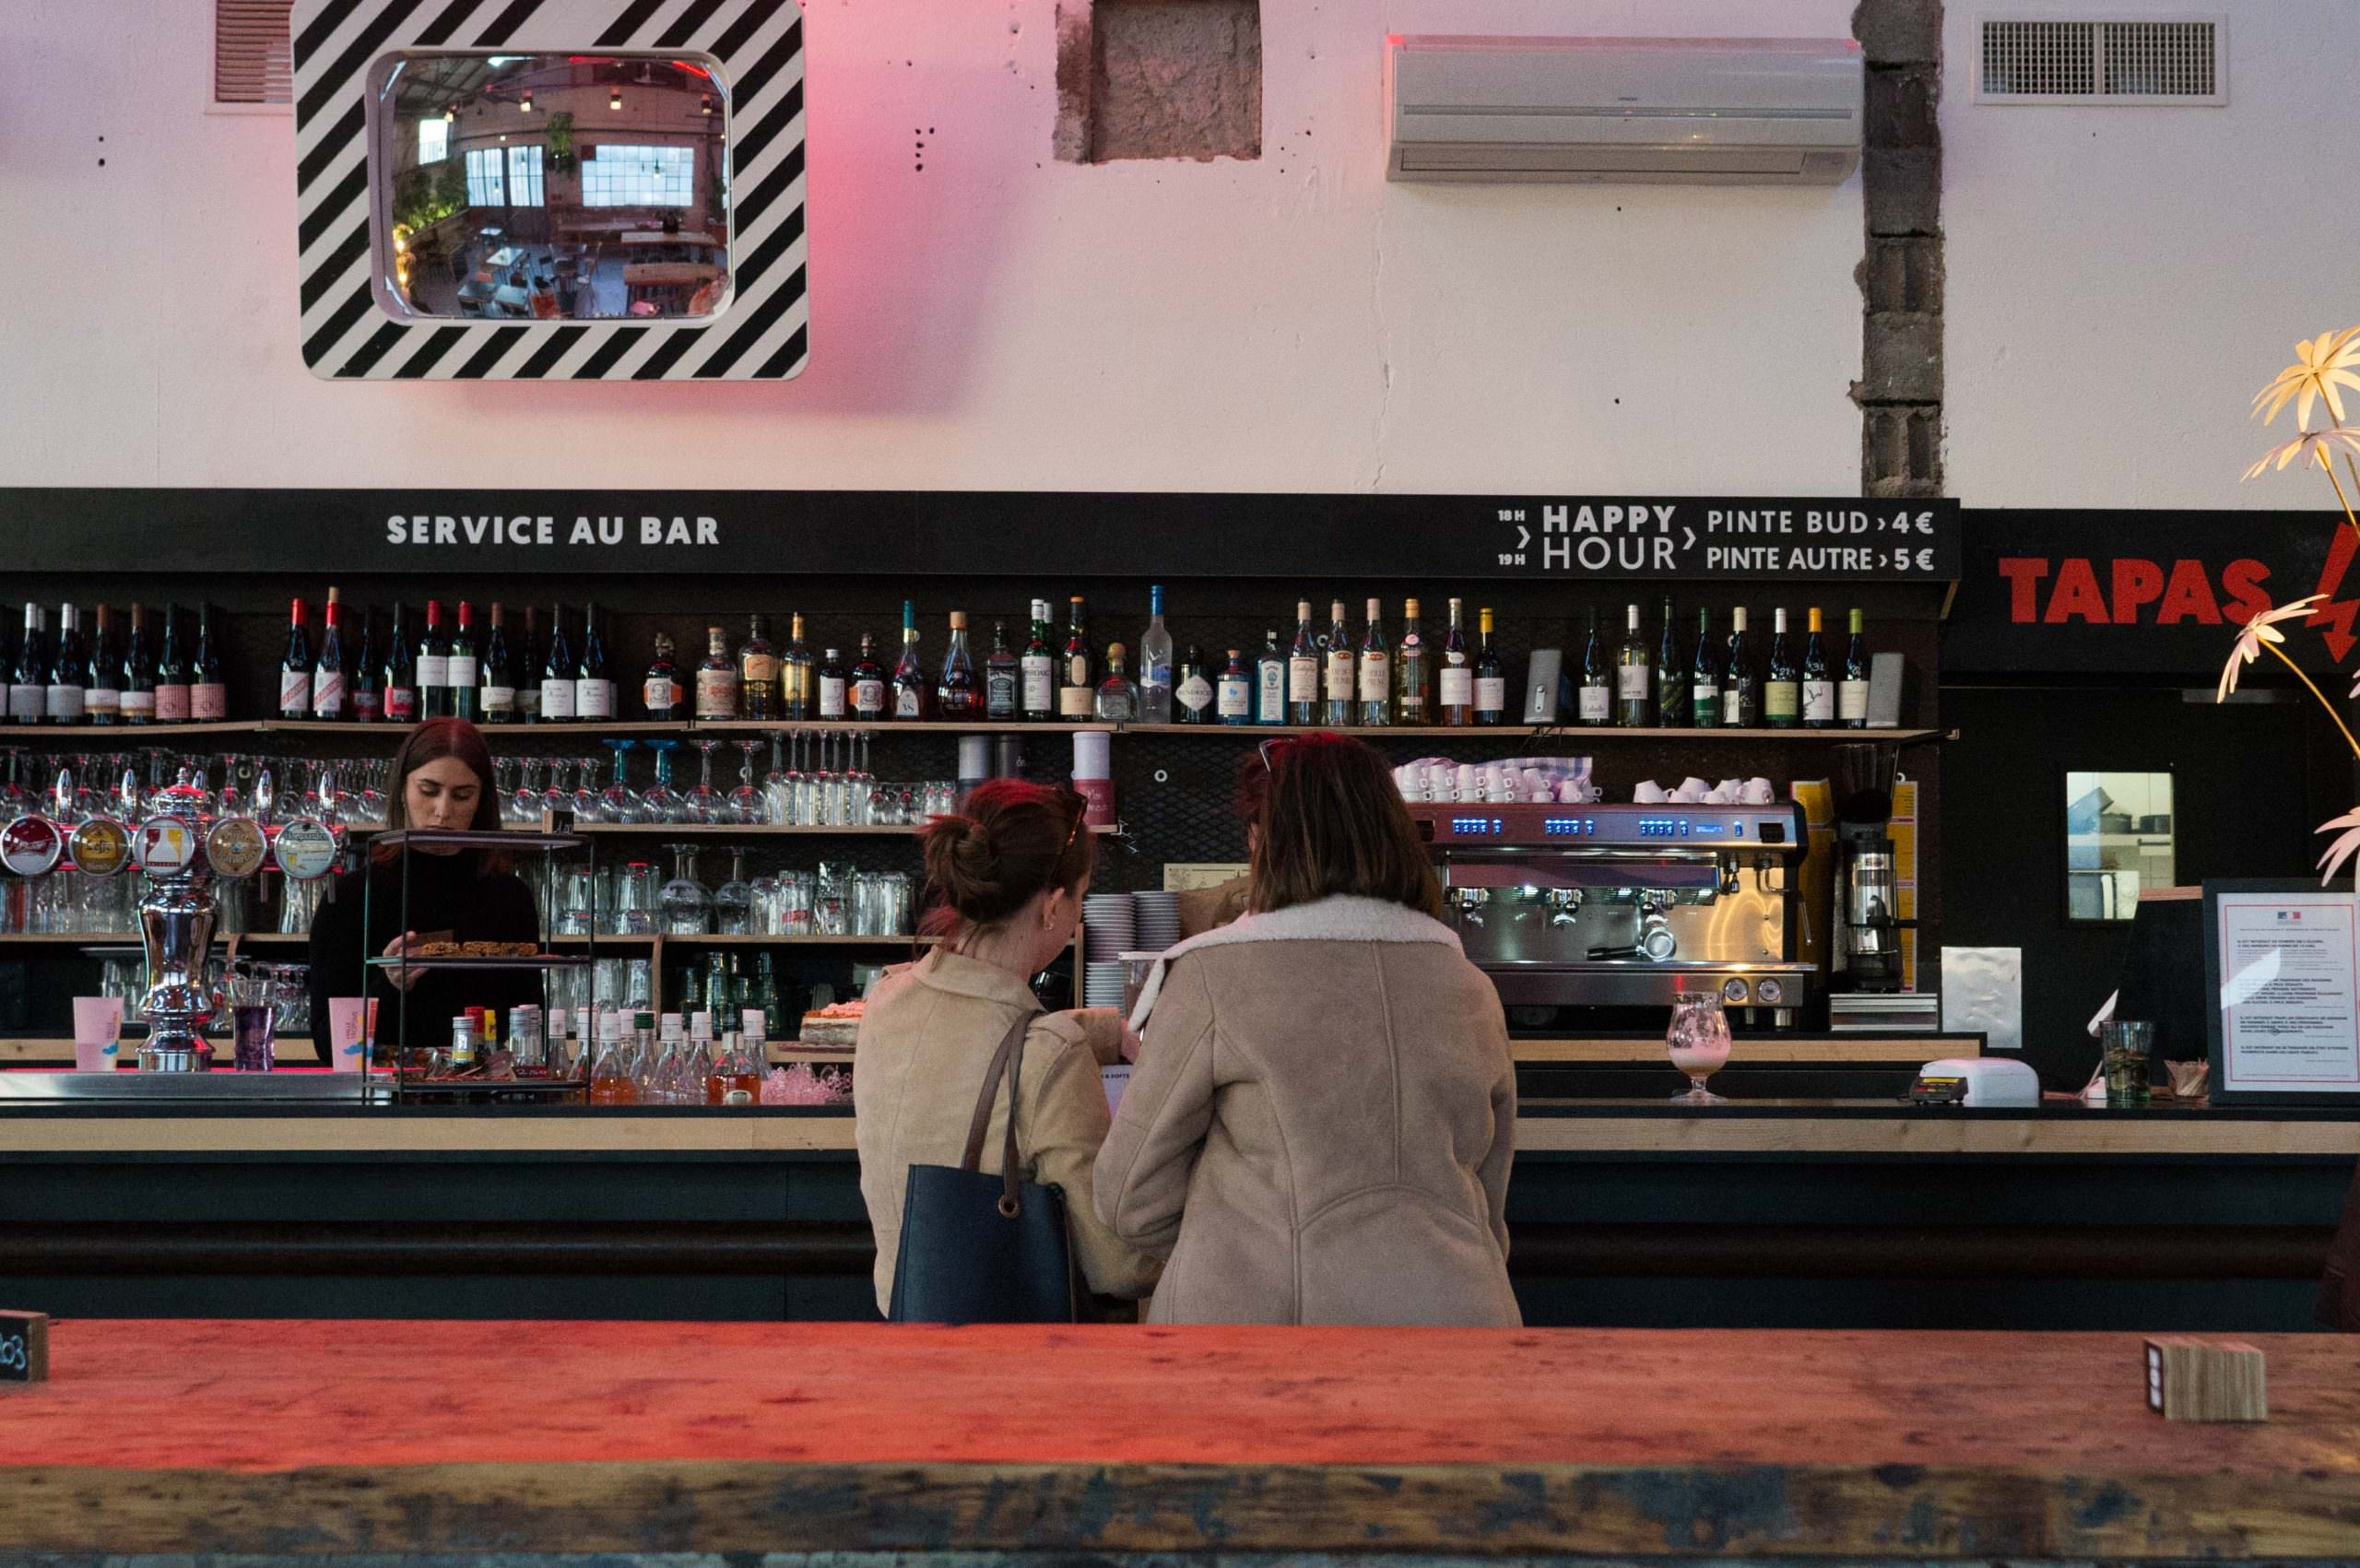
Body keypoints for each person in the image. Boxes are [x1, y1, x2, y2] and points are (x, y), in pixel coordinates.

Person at [1094, 732, 1519, 1326]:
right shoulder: (1470, 985)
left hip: (1267, 1339)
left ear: (1261, 841)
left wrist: (1232, 1246)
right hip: (1461, 1322)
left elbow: (1128, 1196)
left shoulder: (1213, 975)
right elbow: (1490, 1196)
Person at [856, 780, 1159, 1318]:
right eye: (1081, 898)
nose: (1077, 919)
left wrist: (1104, 1031)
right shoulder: (1051, 1056)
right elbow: (1116, 1266)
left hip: (904, 1320)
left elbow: (978, 1030)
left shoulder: (886, 1001)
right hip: (1009, 1359)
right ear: (1054, 904)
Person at [306, 719, 540, 1059]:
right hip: (382, 1104)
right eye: (429, 791)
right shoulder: (351, 897)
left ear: (482, 801)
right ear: (402, 789)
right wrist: (388, 985)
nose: (443, 812)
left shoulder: (510, 896)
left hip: (486, 1101)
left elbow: (529, 1029)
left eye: (462, 795)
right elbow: (330, 1048)